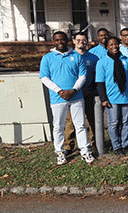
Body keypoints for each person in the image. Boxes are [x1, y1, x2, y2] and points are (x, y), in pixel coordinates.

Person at [39, 31, 94, 165]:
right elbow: (44, 78)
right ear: (53, 42)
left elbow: (82, 76)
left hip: (76, 97)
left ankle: (85, 150)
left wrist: (73, 90)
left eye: (62, 40)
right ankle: (60, 152)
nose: (60, 42)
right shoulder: (47, 58)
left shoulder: (76, 56)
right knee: (58, 126)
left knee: (80, 125)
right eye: (57, 40)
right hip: (57, 98)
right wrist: (59, 91)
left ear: (67, 40)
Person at [96, 36, 128, 155]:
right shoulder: (102, 62)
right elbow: (100, 82)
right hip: (111, 97)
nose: (114, 47)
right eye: (111, 45)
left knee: (125, 121)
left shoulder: (126, 60)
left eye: (116, 44)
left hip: (125, 96)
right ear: (107, 47)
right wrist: (103, 99)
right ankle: (116, 146)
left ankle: (125, 144)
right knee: (113, 122)